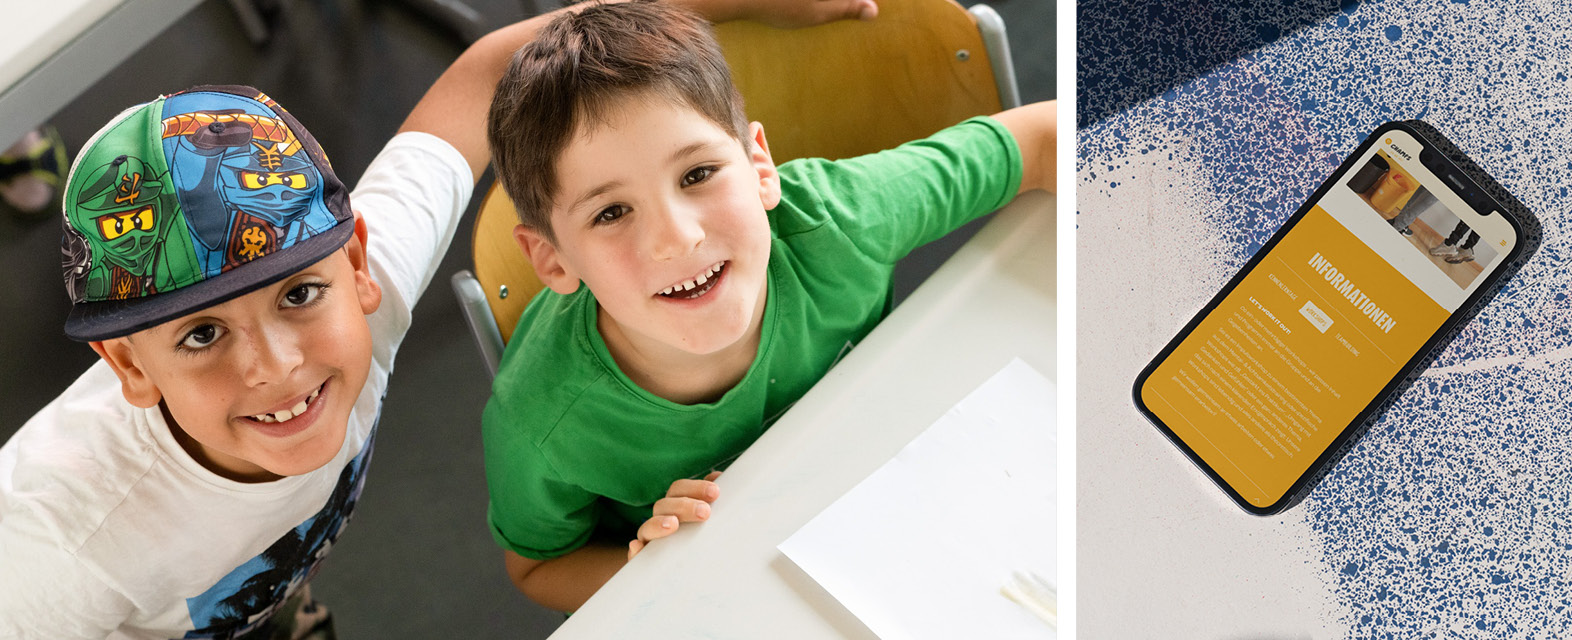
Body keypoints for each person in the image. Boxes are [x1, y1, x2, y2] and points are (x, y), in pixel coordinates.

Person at [0, 0, 869, 636]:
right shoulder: (58, 549)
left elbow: (496, 68)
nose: (276, 366)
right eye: (200, 334)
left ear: (356, 266)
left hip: (246, 590)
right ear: (130, 367)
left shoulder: (371, 273)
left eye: (298, 296)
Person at [480, 0, 1057, 612]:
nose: (677, 238)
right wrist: (641, 570)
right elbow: (539, 568)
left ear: (760, 165)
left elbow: (1045, 137)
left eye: (698, 173)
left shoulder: (838, 219)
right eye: (611, 212)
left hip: (917, 501)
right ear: (552, 260)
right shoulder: (539, 424)